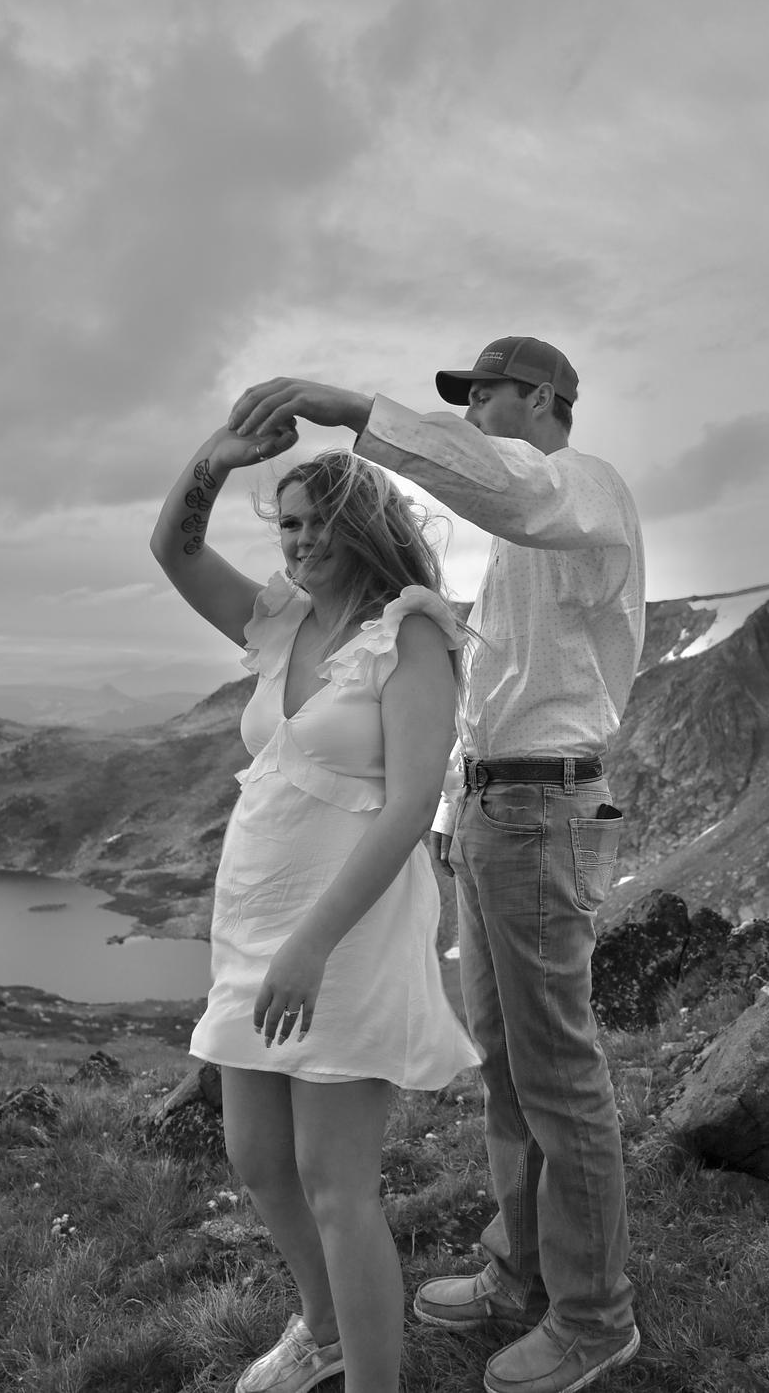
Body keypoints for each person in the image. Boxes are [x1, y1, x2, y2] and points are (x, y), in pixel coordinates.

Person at [228, 336, 646, 1393]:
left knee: (556, 1072)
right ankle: (522, 1272)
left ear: (543, 399)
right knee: (508, 1064)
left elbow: (505, 486)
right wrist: (457, 811)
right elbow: (487, 691)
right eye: (460, 399)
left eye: (484, 394)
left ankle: (595, 1317)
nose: (469, 413)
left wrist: (350, 409)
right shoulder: (518, 539)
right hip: (500, 808)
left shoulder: (580, 491)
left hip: (542, 806)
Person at [150, 425, 479, 1393]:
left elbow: (411, 805)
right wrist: (216, 458)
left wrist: (312, 945)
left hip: (345, 933)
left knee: (338, 1187)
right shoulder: (280, 621)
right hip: (255, 921)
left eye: (316, 525)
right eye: (287, 524)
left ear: (362, 526)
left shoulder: (410, 634)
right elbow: (173, 549)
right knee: (257, 1160)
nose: (297, 542)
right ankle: (325, 1332)